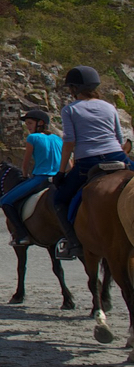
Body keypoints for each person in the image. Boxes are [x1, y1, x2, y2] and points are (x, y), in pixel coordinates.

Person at [52, 66, 130, 259]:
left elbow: (69, 142)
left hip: (88, 161)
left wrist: (61, 172)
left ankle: (73, 243)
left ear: (73, 88)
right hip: (117, 156)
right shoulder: (109, 107)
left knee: (59, 200)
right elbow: (119, 138)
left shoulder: (70, 110)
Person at [0, 108, 63, 245]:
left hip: (41, 178)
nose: (27, 127)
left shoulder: (32, 138)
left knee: (6, 201)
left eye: (29, 123)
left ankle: (21, 234)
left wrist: (25, 175)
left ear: (40, 123)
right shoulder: (57, 139)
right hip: (58, 178)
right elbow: (67, 162)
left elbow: (26, 163)